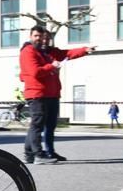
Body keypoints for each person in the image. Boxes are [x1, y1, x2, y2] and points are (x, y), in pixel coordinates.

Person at [19, 25, 94, 164]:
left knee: (47, 125)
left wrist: (84, 50)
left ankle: (32, 154)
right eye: (37, 36)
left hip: (51, 94)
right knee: (37, 125)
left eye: (44, 37)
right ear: (30, 36)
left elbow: (67, 53)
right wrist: (52, 66)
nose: (42, 40)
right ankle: (38, 155)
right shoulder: (28, 51)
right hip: (37, 94)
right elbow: (35, 72)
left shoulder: (47, 52)